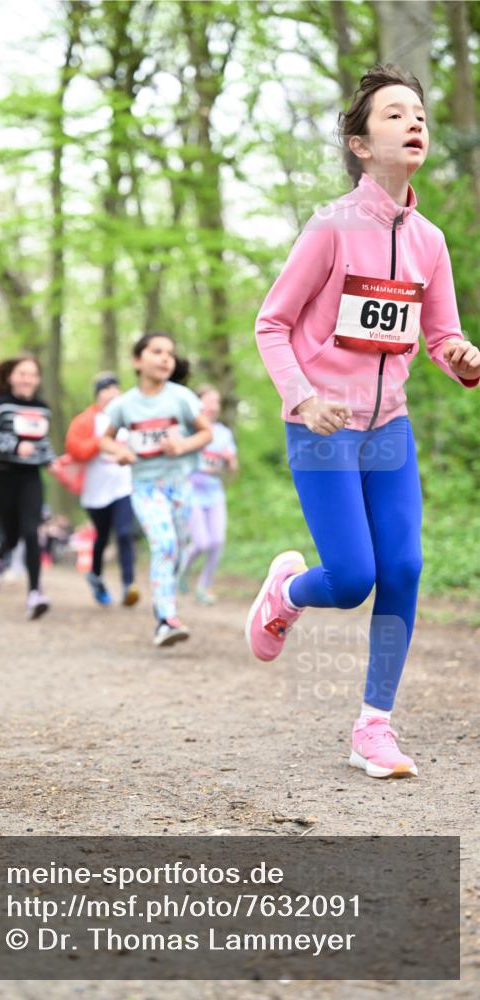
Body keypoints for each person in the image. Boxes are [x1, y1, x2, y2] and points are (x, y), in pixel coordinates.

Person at [246, 65, 480, 779]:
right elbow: (272, 323)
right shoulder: (331, 227)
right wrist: (301, 397)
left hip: (389, 428)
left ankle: (372, 726)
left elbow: (440, 336)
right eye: (393, 115)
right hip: (321, 426)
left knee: (403, 566)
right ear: (357, 143)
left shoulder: (428, 241)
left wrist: (463, 358)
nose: (413, 124)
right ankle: (286, 592)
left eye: (418, 115)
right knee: (350, 579)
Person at [101, 333, 212, 647]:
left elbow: (205, 433)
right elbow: (105, 439)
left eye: (170, 353)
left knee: (178, 548)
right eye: (157, 352)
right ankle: (167, 618)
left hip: (179, 485)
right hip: (146, 487)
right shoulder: (124, 405)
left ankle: (164, 600)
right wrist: (118, 451)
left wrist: (182, 445)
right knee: (163, 545)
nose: (165, 358)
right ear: (138, 360)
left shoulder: (181, 397)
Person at [0, 353, 56, 619]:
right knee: (11, 534)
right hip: (3, 475)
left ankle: (35, 592)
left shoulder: (43, 408)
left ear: (38, 379)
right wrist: (14, 445)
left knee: (32, 531)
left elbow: (42, 443)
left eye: (32, 374)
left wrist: (52, 461)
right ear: (10, 377)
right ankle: (0, 553)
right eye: (22, 373)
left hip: (31, 476)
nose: (27, 379)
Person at [65, 372, 139, 607]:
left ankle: (129, 585)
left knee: (125, 533)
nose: (111, 394)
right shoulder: (85, 420)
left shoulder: (129, 417)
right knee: (102, 537)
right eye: (106, 390)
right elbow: (74, 449)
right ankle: (95, 576)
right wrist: (100, 443)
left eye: (115, 389)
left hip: (123, 487)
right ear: (97, 395)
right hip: (96, 492)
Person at [180, 385, 238, 604]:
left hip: (214, 493)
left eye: (217, 402)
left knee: (217, 541)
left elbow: (233, 467)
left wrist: (229, 460)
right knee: (201, 542)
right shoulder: (189, 429)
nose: (214, 406)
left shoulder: (223, 433)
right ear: (198, 403)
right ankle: (181, 572)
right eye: (210, 401)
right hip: (191, 491)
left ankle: (204, 587)